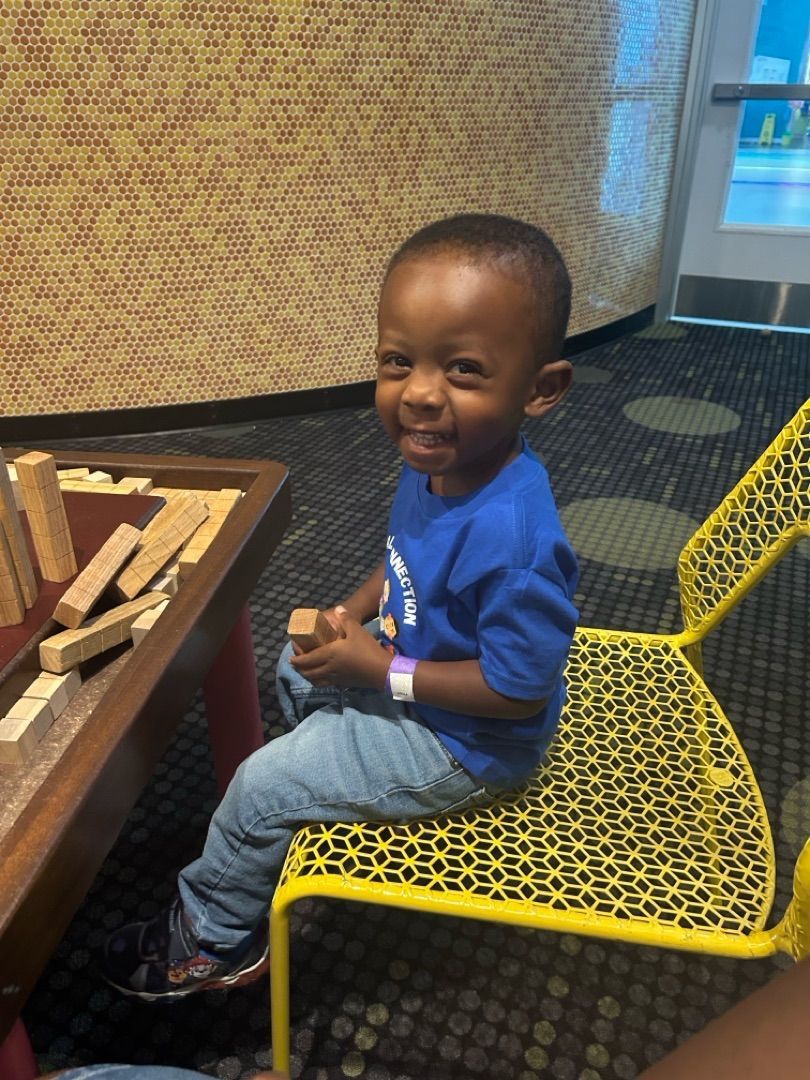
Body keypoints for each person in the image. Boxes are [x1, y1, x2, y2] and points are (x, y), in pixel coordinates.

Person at [102, 213, 579, 1000]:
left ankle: (212, 939)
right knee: (294, 671)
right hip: (411, 675)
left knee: (259, 786)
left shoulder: (516, 540)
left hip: (470, 743)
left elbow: (519, 689)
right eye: (399, 362)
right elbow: (401, 564)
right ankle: (314, 799)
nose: (420, 396)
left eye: (462, 370)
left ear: (540, 389)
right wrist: (351, 610)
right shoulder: (441, 459)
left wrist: (383, 672)